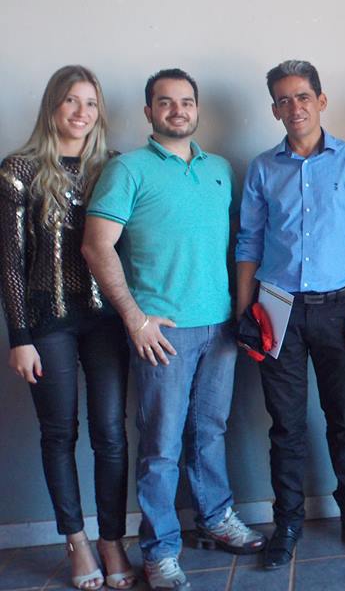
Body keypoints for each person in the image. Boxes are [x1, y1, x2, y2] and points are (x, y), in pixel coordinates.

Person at [82, 69, 264, 590]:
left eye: (186, 101)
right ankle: (160, 552)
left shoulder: (220, 169)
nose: (177, 110)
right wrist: (134, 318)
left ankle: (216, 517)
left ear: (196, 109)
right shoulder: (127, 170)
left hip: (221, 326)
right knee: (161, 446)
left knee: (211, 431)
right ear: (149, 112)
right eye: (165, 102)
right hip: (163, 333)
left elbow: (238, 242)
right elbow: (96, 245)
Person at [235, 60, 345, 568]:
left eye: (302, 96)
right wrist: (245, 313)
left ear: (321, 101)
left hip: (340, 308)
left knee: (344, 418)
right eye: (284, 99)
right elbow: (249, 242)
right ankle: (288, 523)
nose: (294, 107)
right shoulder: (262, 168)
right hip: (276, 310)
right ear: (274, 110)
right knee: (286, 425)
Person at [1, 66, 135, 591]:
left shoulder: (114, 167)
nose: (81, 113)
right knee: (59, 433)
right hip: (47, 319)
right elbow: (11, 264)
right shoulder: (20, 169)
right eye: (71, 101)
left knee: (111, 432)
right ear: (52, 106)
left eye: (90, 103)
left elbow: (131, 249)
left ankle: (112, 539)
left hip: (106, 320)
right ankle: (76, 542)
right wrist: (19, 338)